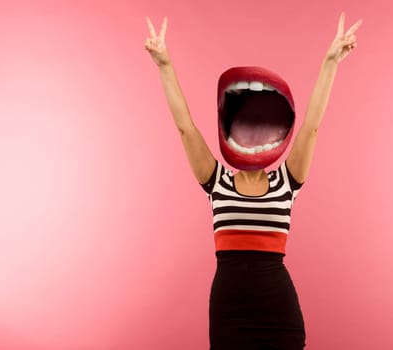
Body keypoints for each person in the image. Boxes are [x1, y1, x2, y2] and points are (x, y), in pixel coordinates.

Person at [145, 12, 362, 350]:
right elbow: (185, 126)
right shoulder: (216, 181)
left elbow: (312, 126)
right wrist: (164, 65)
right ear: (229, 128)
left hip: (278, 311)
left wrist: (331, 61)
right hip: (229, 312)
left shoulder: (287, 182)